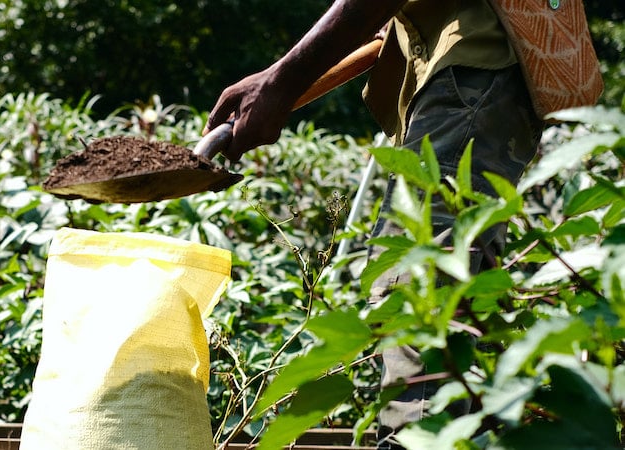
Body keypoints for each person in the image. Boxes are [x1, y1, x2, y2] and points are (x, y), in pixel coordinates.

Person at [204, 1, 602, 448]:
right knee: (463, 293)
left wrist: (279, 80)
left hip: (476, 67)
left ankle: (418, 440)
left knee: (416, 277)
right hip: (479, 75)